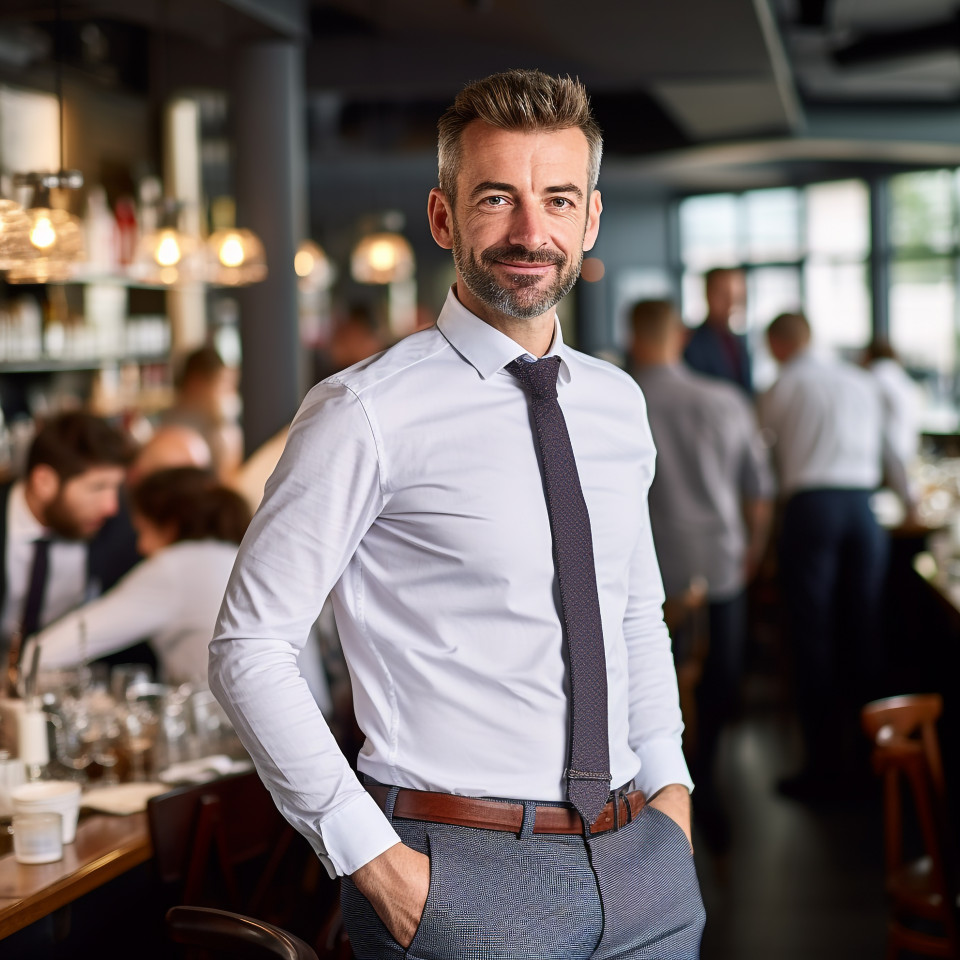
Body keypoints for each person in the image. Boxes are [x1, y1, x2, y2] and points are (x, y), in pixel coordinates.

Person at [210, 69, 704, 960]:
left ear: (589, 220)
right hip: (456, 867)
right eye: (496, 199)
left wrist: (671, 789)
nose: (530, 231)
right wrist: (372, 861)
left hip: (642, 862)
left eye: (558, 199)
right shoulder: (363, 411)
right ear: (444, 218)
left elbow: (634, 611)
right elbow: (249, 648)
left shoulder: (617, 403)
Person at [630, 299, 773, 847]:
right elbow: (758, 493)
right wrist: (754, 551)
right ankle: (703, 789)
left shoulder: (613, 396)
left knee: (640, 688)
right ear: (680, 337)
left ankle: (648, 805)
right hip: (718, 562)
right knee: (718, 684)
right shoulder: (726, 400)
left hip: (643, 570)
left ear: (634, 335)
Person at [760, 312, 913, 798]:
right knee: (864, 631)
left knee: (813, 637)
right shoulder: (859, 379)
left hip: (813, 508)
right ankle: (876, 764)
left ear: (780, 344)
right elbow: (892, 451)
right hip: (862, 510)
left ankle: (824, 771)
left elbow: (761, 454)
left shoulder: (783, 385)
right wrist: (908, 502)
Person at [22, 468, 249, 685]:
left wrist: (21, 671)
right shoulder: (234, 556)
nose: (140, 547)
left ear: (170, 526)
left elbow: (58, 647)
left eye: (142, 531)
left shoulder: (176, 568)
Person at [0, 412, 135, 690]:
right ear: (44, 482)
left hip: (68, 687)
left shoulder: (117, 529)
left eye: (115, 488)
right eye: (97, 488)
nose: (111, 506)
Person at [161, 346, 243, 481]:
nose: (228, 393)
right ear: (196, 383)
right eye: (221, 384)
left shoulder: (209, 424)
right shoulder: (178, 432)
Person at [683, 267, 752, 394]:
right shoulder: (690, 343)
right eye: (723, 294)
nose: (731, 302)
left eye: (737, 295)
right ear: (707, 294)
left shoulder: (739, 342)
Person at [862, 338, 922, 470]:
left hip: (881, 458)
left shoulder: (870, 380)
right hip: (906, 453)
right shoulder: (905, 382)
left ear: (868, 355)